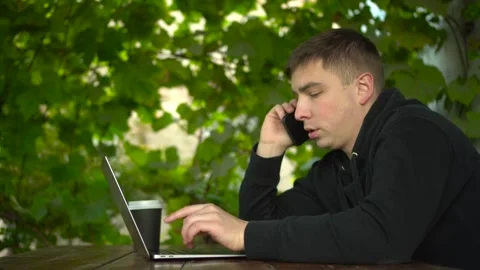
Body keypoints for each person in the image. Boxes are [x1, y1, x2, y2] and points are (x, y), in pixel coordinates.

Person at [164, 28, 480, 269]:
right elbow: (259, 227)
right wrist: (270, 148)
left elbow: (383, 236)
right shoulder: (339, 165)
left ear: (363, 88)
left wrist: (246, 234)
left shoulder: (415, 133)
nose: (299, 111)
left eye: (313, 93)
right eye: (297, 97)